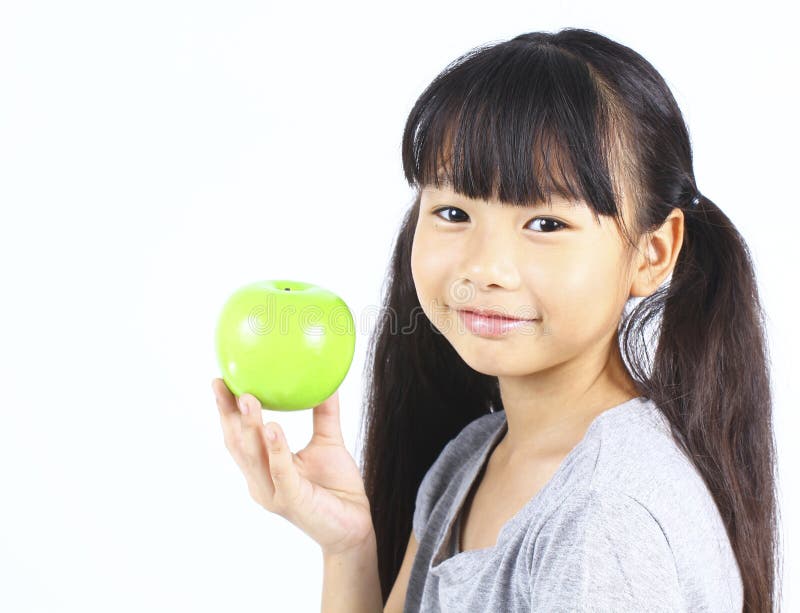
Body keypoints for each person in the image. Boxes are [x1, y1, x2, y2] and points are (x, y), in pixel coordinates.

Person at [212, 27, 782, 612]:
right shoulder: (474, 457)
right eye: (454, 211)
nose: (485, 267)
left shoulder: (604, 519)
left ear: (652, 252)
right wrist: (346, 544)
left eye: (546, 224)